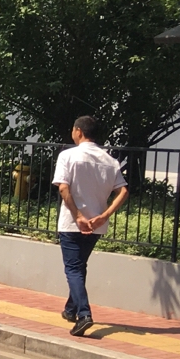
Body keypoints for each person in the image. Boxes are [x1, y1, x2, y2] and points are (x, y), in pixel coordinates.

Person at [53, 115, 128, 337]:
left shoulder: (68, 156)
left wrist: (77, 215)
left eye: (73, 130)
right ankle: (70, 309)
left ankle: (84, 314)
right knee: (80, 266)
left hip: (72, 223)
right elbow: (123, 190)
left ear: (78, 131)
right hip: (96, 225)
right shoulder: (109, 161)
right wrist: (104, 215)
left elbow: (63, 188)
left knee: (73, 268)